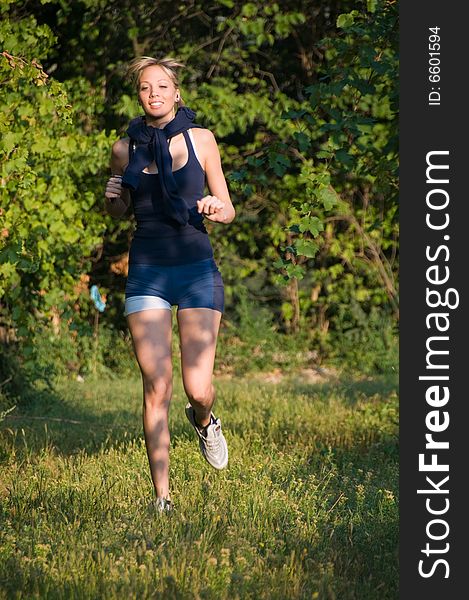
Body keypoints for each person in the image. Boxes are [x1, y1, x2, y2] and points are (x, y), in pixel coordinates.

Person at [104, 56, 235, 513]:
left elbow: (227, 204)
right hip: (148, 272)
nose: (154, 93)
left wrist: (218, 208)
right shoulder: (124, 150)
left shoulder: (202, 140)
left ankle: (204, 420)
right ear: (139, 96)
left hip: (196, 269)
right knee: (156, 383)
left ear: (177, 93)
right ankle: (162, 498)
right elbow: (119, 212)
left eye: (162, 86)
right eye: (145, 87)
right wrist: (113, 199)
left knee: (197, 387)